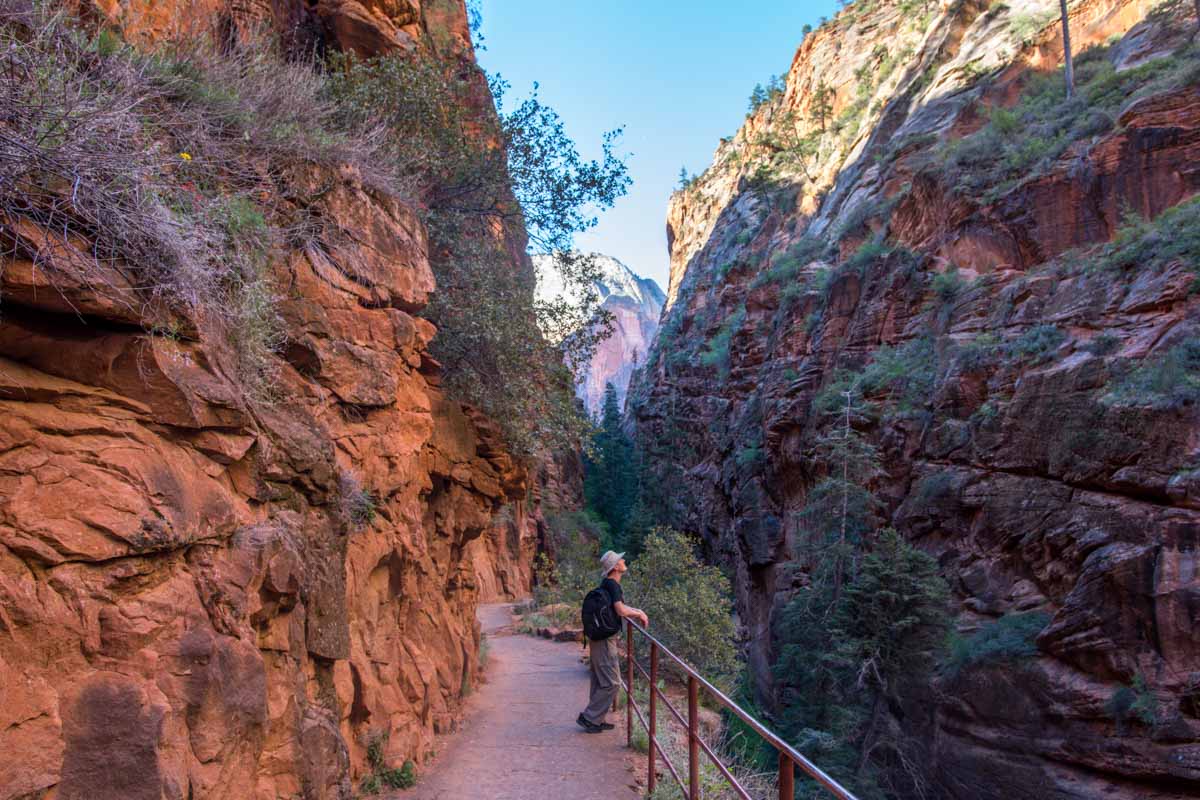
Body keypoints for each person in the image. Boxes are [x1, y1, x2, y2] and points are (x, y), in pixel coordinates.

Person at [577, 550, 649, 733]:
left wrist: (637, 610)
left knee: (600, 680)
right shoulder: (613, 585)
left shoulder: (608, 584)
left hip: (598, 636)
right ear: (616, 567)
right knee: (612, 682)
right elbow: (620, 611)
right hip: (604, 639)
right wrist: (638, 613)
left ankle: (595, 719)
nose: (624, 560)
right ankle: (589, 717)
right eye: (620, 560)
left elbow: (621, 606)